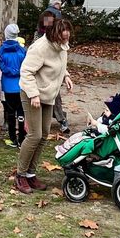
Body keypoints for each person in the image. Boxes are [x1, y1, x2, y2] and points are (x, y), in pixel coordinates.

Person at [15, 19, 74, 194]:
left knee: (44, 135)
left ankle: (31, 174)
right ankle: (20, 175)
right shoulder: (40, 48)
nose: (66, 38)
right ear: (54, 34)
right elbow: (26, 71)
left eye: (68, 35)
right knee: (34, 135)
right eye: (63, 36)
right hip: (32, 94)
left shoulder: (62, 46)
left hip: (48, 96)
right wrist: (33, 94)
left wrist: (67, 76)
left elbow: (61, 65)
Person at [35, 9, 70, 134]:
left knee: (56, 98)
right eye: (47, 21)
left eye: (51, 21)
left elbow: (60, 59)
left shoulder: (58, 38)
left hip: (54, 76)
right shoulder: (40, 40)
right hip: (42, 78)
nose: (49, 24)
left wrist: (65, 75)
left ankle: (62, 119)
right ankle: (38, 125)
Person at [0, 25, 27, 148]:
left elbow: (2, 67)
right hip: (20, 84)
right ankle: (22, 137)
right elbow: (26, 66)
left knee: (10, 111)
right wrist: (17, 71)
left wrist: (10, 71)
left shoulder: (1, 50)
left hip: (8, 84)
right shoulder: (22, 50)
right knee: (21, 112)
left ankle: (12, 138)